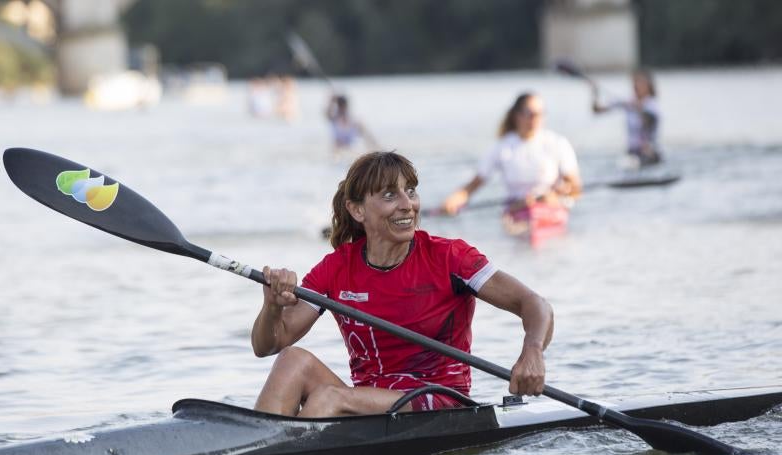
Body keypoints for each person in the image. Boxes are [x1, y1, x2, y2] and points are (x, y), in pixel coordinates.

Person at [251, 151, 554, 417]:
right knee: (291, 360)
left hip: (439, 401)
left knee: (329, 399)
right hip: (365, 401)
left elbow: (535, 305)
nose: (407, 204)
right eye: (389, 195)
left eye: (410, 191)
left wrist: (533, 351)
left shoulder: (450, 257)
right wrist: (272, 307)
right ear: (357, 210)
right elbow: (269, 345)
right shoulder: (337, 267)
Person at [441, 93, 581, 219]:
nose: (535, 118)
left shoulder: (558, 143)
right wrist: (453, 200)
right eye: (530, 113)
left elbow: (575, 188)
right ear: (517, 115)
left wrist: (558, 194)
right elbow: (473, 186)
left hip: (550, 206)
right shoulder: (502, 146)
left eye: (540, 113)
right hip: (517, 208)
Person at [591, 70, 661, 166]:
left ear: (648, 86)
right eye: (635, 82)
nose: (636, 86)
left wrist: (637, 108)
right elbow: (597, 110)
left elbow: (649, 120)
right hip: (632, 153)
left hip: (648, 153)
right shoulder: (628, 102)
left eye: (640, 83)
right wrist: (595, 92)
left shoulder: (651, 105)